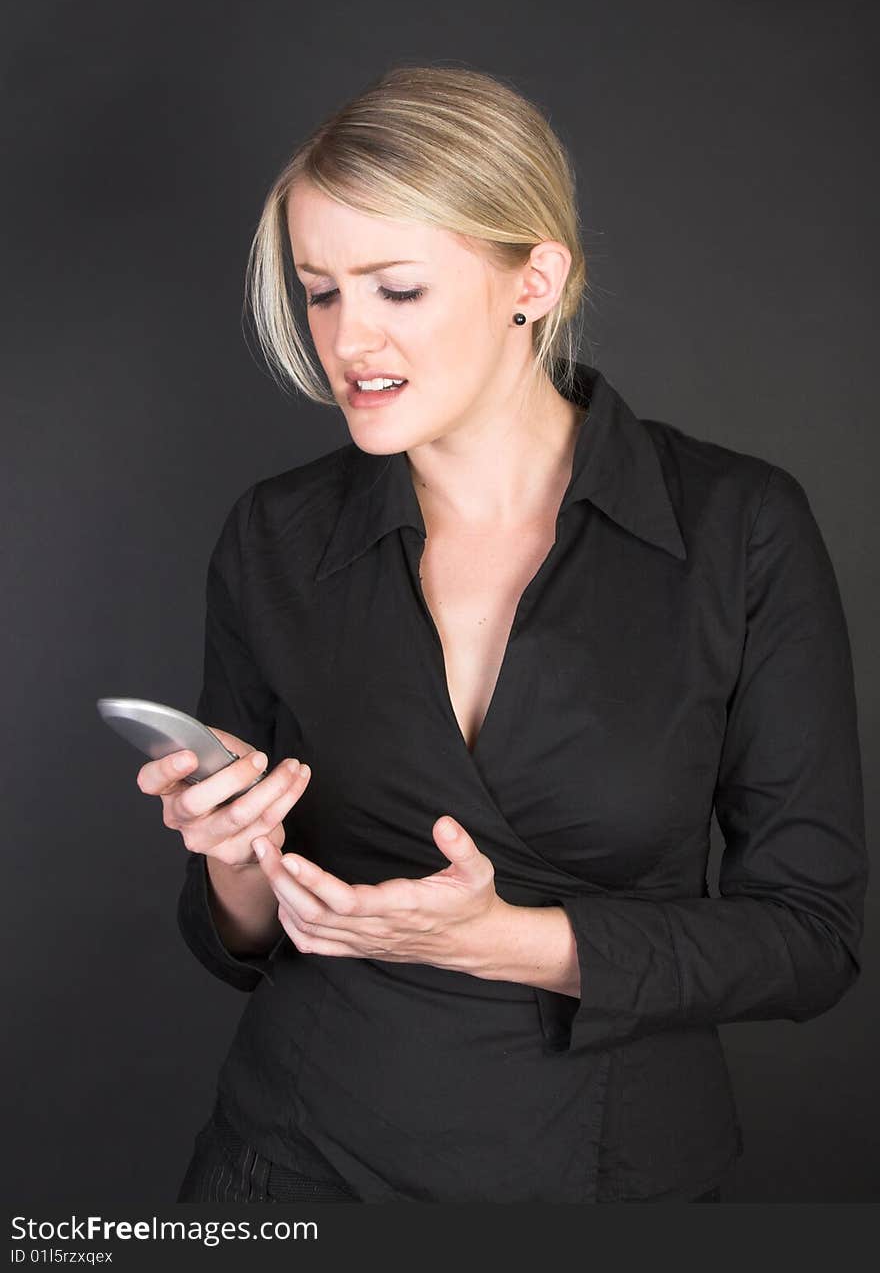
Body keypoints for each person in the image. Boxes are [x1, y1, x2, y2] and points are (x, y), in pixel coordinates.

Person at [139, 64, 868, 1204]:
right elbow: (236, 942)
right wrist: (235, 863)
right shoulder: (275, 536)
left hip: (608, 1172)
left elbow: (810, 937)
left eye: (398, 289)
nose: (348, 340)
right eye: (320, 291)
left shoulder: (737, 526)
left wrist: (507, 938)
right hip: (295, 1164)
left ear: (533, 280)